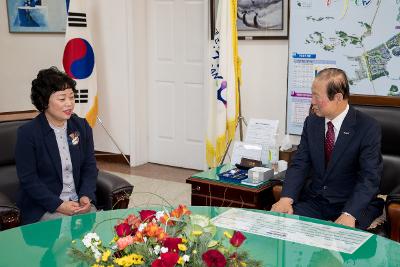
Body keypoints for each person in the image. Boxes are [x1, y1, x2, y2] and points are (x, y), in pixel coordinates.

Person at [271, 68, 383, 230]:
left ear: (337, 97)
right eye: (312, 94)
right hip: (317, 201)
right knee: (280, 225)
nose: (312, 101)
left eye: (317, 96)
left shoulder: (367, 127)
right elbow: (300, 164)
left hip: (351, 203)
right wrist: (286, 198)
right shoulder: (312, 122)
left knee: (343, 243)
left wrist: (349, 214)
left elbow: (369, 177)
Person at [15, 66, 98, 225]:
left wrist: (86, 195)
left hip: (77, 202)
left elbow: (89, 166)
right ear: (45, 101)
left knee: (96, 232)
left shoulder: (81, 126)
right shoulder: (28, 134)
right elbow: (29, 180)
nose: (69, 104)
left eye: (72, 97)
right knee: (63, 232)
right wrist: (59, 205)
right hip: (44, 206)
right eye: (62, 99)